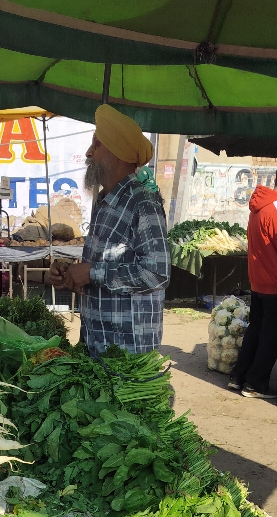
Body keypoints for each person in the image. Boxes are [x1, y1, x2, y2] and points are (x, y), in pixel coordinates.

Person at [48, 104, 170, 356]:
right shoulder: (104, 202)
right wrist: (71, 273)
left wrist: (92, 272)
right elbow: (106, 267)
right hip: (97, 343)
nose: (89, 152)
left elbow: (157, 273)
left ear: (117, 153)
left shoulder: (143, 203)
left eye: (97, 144)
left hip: (127, 352)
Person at [228, 156, 277, 399]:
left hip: (260, 280)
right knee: (271, 336)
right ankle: (256, 384)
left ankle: (238, 376)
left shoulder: (260, 205)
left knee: (256, 331)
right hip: (276, 282)